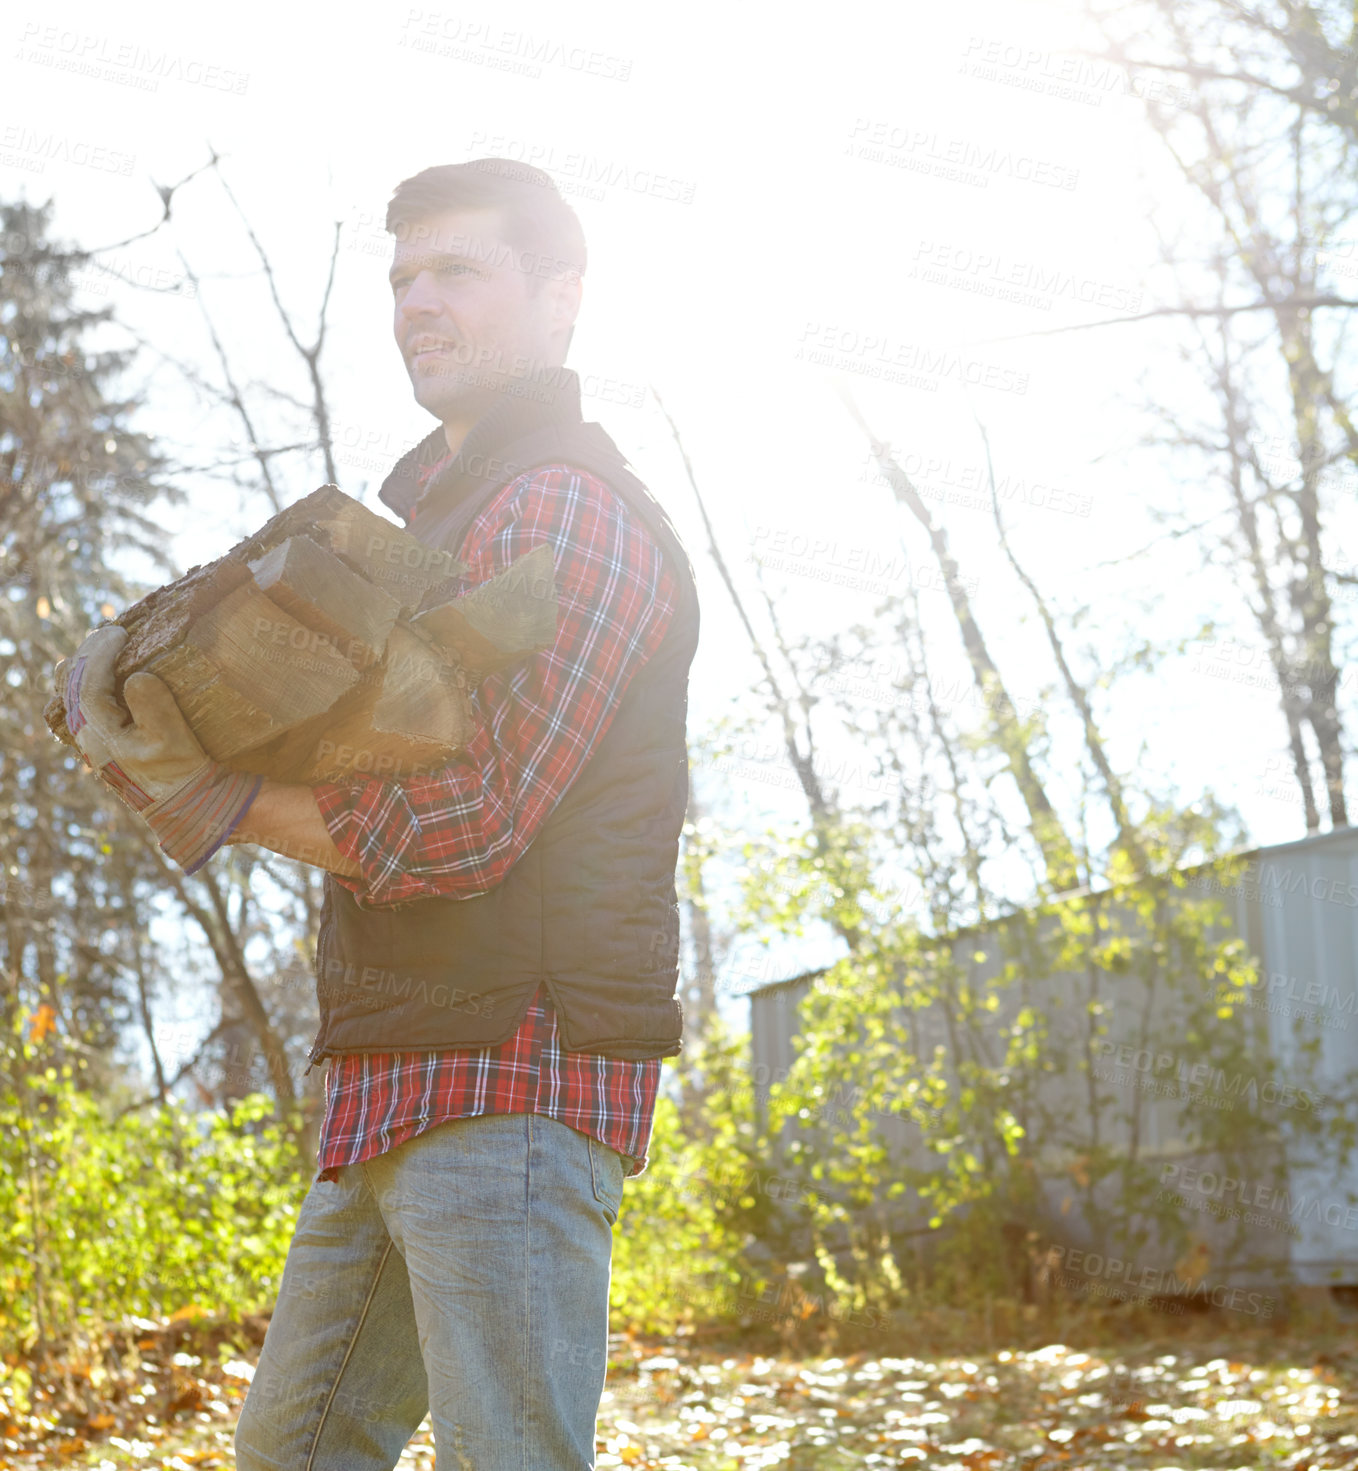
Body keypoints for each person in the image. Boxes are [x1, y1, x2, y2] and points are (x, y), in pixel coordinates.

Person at [59, 157, 700, 1470]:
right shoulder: (422, 524)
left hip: (513, 1072)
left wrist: (209, 791)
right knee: (293, 1454)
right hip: (393, 1081)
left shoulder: (566, 510)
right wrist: (212, 712)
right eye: (402, 277)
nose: (416, 301)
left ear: (562, 296)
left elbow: (463, 824)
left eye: (455, 270)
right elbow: (389, 773)